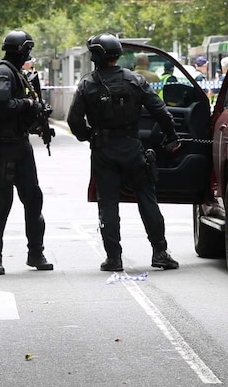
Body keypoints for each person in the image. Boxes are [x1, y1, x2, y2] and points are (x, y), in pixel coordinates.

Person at [67, 33, 180, 273]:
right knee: (147, 198)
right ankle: (160, 252)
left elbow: (74, 120)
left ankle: (114, 258)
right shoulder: (135, 80)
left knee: (108, 204)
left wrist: (90, 136)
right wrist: (171, 136)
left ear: (96, 57)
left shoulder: (88, 84)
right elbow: (161, 112)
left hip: (103, 151)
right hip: (132, 148)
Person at [0, 30, 53, 275]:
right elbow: (1, 107)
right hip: (5, 146)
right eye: (27, 50)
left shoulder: (17, 73)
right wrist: (29, 104)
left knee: (33, 201)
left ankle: (36, 253)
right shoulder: (2, 73)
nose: (28, 55)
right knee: (0, 204)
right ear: (21, 50)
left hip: (21, 145)